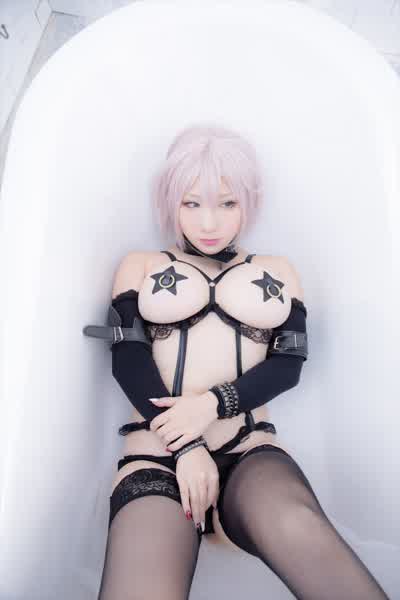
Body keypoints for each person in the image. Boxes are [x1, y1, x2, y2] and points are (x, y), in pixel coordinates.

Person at [84, 124, 389, 599]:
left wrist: (211, 404)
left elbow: (288, 365)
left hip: (248, 452)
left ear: (248, 201)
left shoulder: (278, 271)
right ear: (171, 202)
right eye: (192, 204)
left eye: (227, 204)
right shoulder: (141, 265)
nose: (209, 223)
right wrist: (186, 446)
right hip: (157, 456)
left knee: (301, 527)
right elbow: (128, 362)